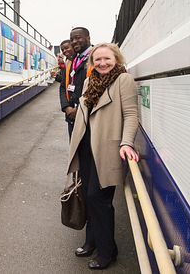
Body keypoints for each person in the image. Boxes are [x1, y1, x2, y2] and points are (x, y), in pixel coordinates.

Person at [65, 43, 139, 270]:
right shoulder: (89, 81)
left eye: (107, 59)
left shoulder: (123, 80)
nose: (102, 63)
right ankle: (91, 241)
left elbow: (131, 114)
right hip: (86, 147)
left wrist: (127, 142)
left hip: (107, 148)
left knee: (100, 199)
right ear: (92, 62)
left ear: (116, 59)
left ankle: (108, 251)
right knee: (88, 196)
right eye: (98, 60)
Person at [60, 27, 93, 137]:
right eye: (72, 39)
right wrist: (66, 107)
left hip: (89, 118)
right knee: (74, 151)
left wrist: (79, 109)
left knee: (88, 153)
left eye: (78, 38)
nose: (74, 42)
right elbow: (63, 87)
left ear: (88, 38)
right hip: (71, 116)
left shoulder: (97, 57)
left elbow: (100, 88)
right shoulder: (71, 61)